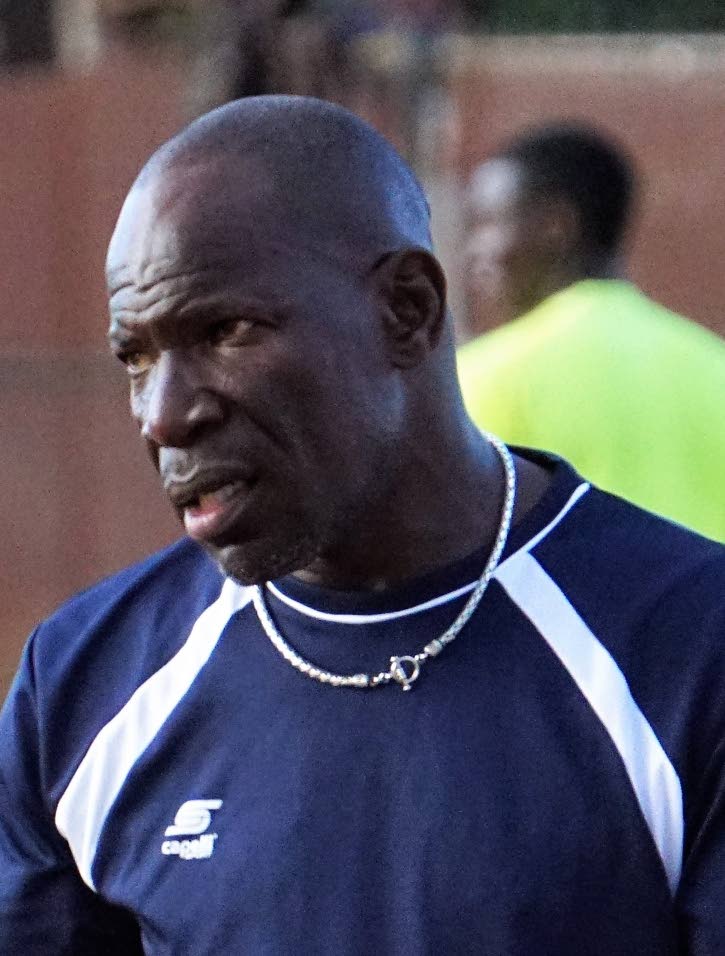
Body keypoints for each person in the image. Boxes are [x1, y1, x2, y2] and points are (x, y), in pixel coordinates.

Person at [0, 97, 724, 955]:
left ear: (405, 311)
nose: (164, 415)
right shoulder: (81, 687)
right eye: (136, 357)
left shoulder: (696, 655)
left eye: (226, 330)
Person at [458, 123, 725, 541]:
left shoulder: (478, 378)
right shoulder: (714, 366)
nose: (473, 250)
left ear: (555, 225)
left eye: (488, 223)